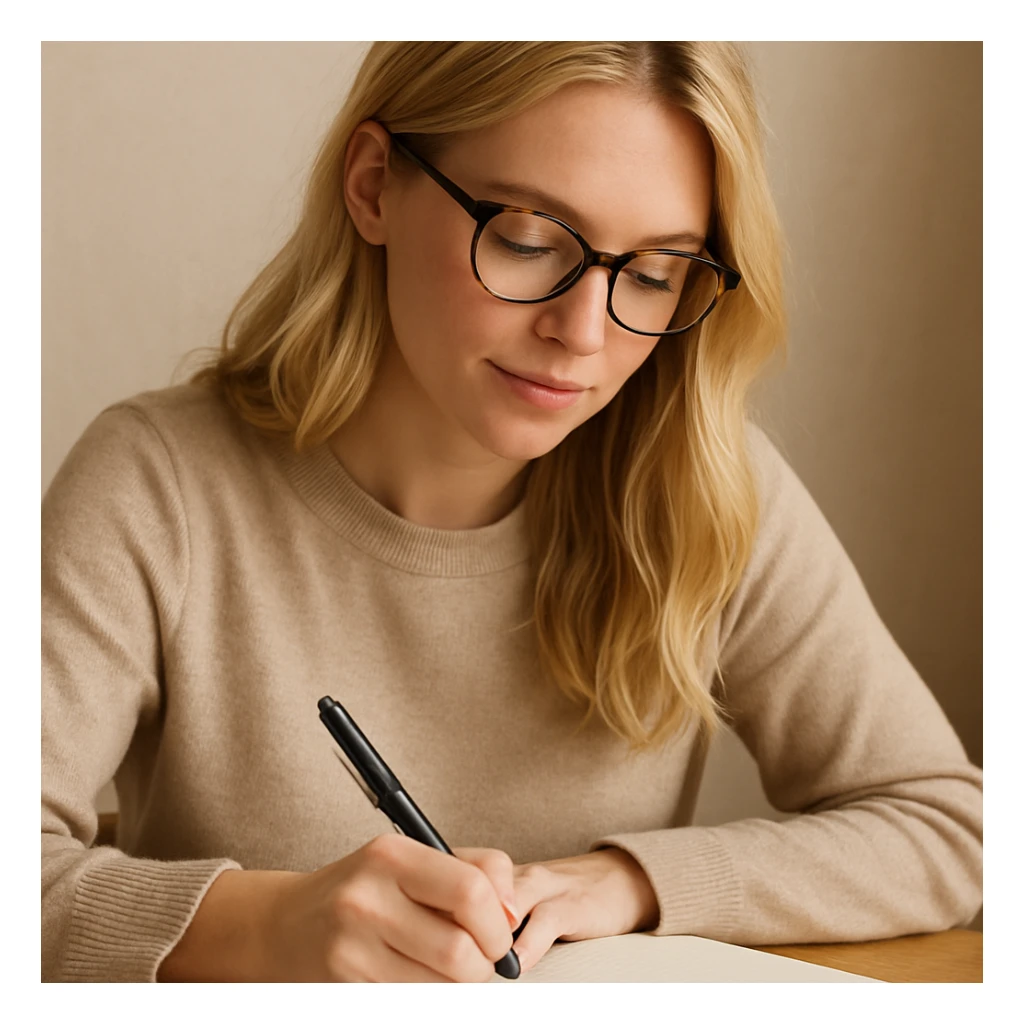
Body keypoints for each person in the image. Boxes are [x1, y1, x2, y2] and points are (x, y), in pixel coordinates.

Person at [41, 41, 982, 983]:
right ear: (372, 186)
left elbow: (950, 828)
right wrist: (265, 929)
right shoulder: (156, 484)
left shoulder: (701, 486)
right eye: (529, 242)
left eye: (654, 274)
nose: (583, 333)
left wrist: (629, 882)